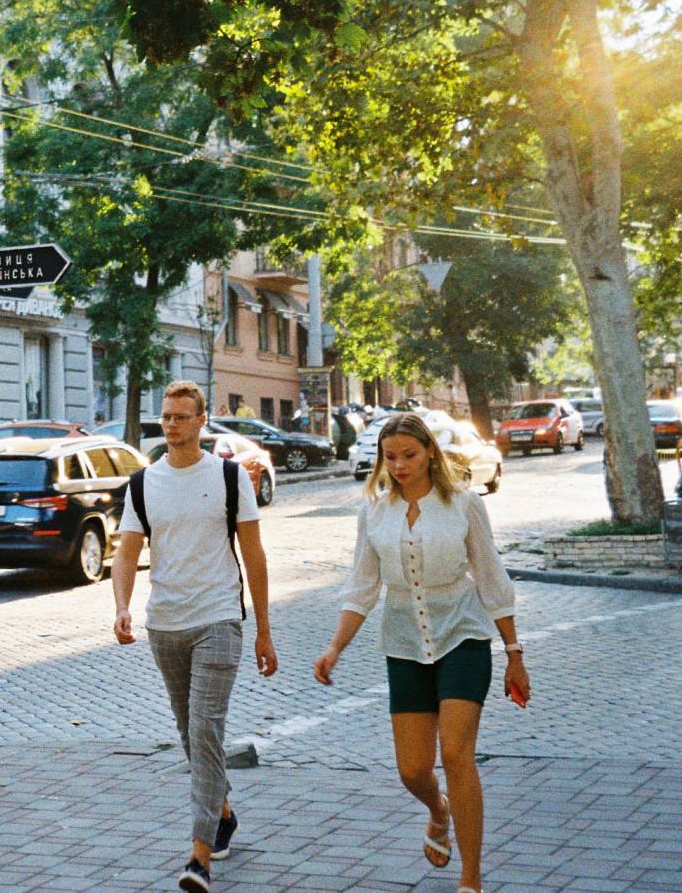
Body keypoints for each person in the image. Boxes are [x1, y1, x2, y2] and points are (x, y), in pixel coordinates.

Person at [314, 412, 527, 893]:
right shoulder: (374, 511)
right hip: (405, 642)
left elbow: (492, 578)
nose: (400, 465)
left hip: (464, 635)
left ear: (430, 451)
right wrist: (334, 648)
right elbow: (361, 589)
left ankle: (470, 880)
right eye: (391, 457)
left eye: (409, 455)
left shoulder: (464, 504)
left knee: (455, 753)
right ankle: (438, 809)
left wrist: (514, 651)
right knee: (412, 769)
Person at [111, 379, 276, 893]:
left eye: (182, 416)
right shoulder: (143, 483)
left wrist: (264, 630)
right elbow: (125, 551)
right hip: (166, 623)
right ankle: (223, 812)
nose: (172, 424)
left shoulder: (229, 478)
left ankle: (199, 855)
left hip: (219, 618)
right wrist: (121, 606)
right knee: (191, 734)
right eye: (166, 417)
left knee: (205, 729)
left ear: (201, 421)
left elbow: (253, 554)